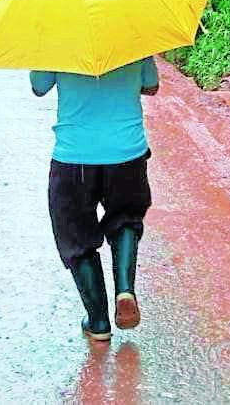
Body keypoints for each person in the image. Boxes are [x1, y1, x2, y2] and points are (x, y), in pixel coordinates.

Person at [29, 56, 160, 342]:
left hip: (74, 158)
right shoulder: (133, 35)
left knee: (75, 235)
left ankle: (98, 320)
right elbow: (151, 86)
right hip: (127, 153)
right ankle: (125, 288)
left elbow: (38, 87)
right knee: (126, 218)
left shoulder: (56, 40)